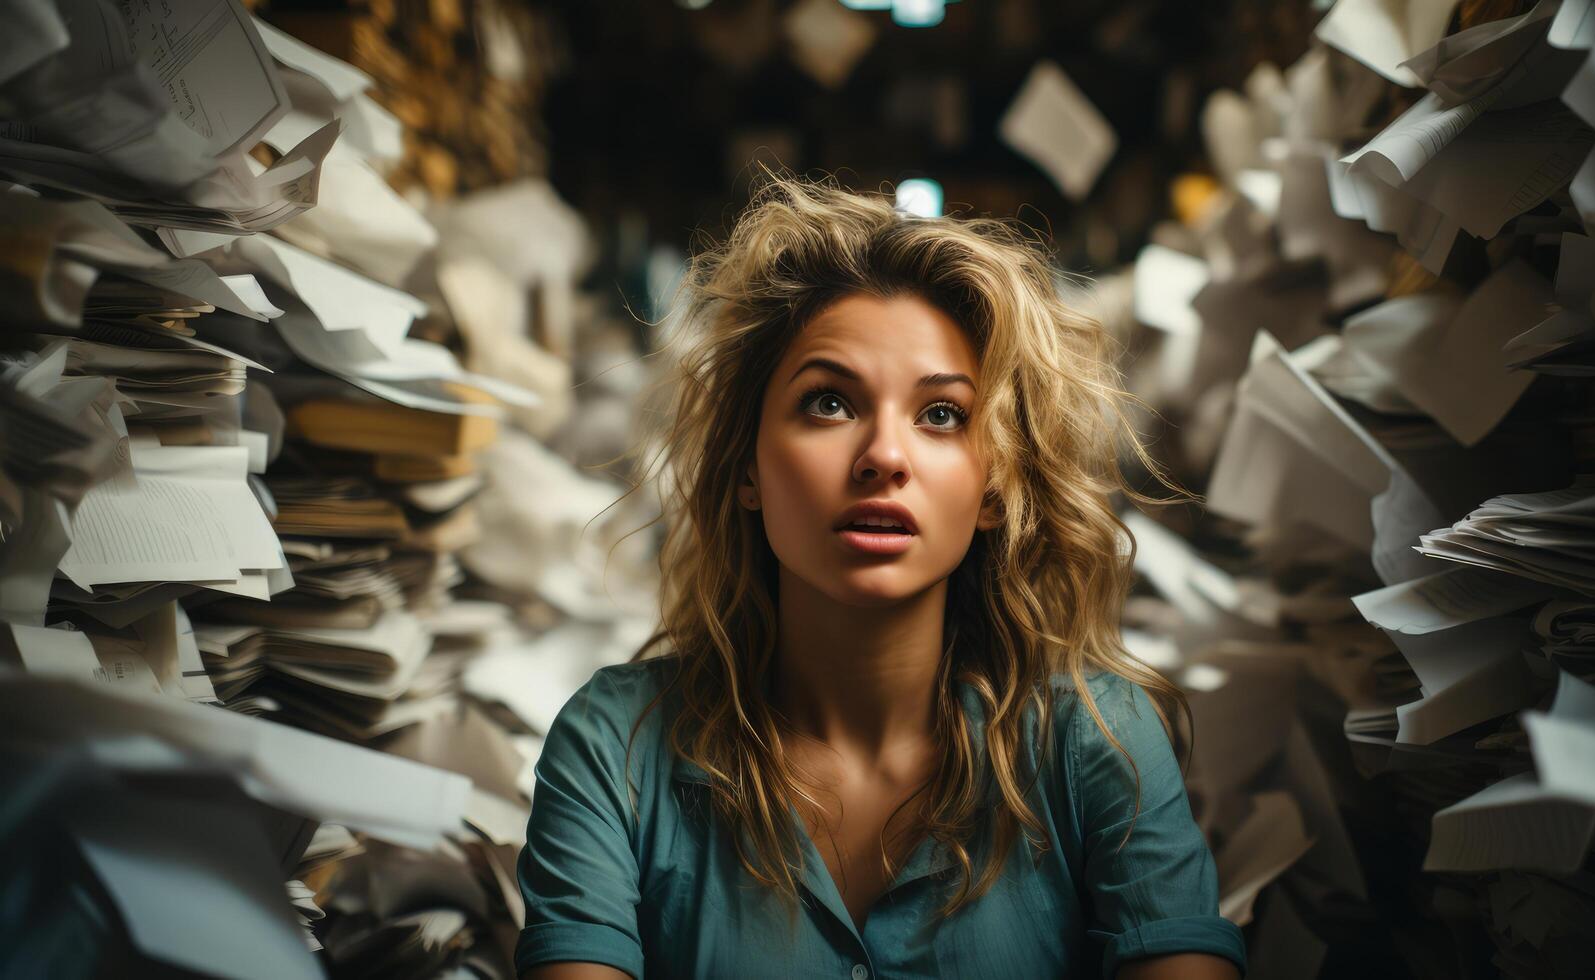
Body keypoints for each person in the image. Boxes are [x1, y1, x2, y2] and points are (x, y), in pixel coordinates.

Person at [516, 167, 1246, 980]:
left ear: (993, 490)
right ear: (747, 467)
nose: (884, 458)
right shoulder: (615, 750)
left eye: (941, 415)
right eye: (829, 403)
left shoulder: (1095, 743)